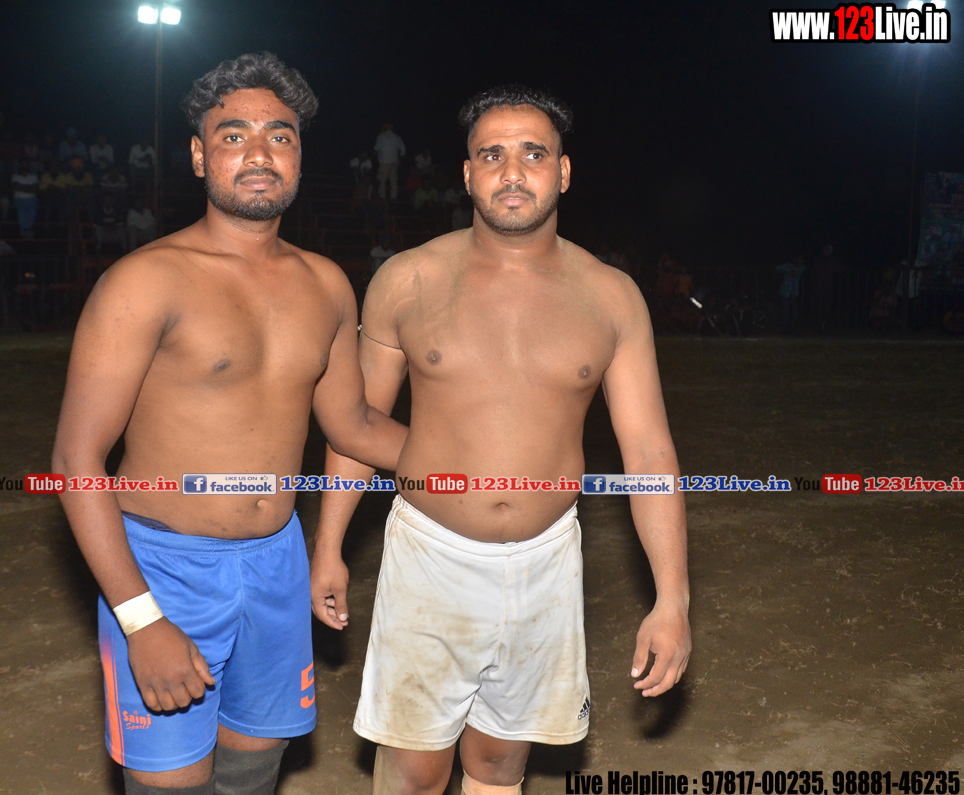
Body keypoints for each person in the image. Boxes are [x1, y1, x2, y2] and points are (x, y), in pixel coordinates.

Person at [311, 85, 691, 795]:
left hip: (548, 563)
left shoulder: (611, 295)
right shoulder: (408, 279)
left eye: (533, 154)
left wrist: (673, 597)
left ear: (563, 172)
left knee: (498, 763)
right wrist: (329, 543)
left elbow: (649, 454)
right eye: (491, 155)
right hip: (429, 555)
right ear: (466, 174)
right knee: (414, 771)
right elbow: (356, 426)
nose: (512, 172)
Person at [51, 52, 407, 795]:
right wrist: (140, 618)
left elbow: (354, 424)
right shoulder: (146, 280)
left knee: (254, 770)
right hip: (164, 568)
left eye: (279, 136)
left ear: (299, 155)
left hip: (277, 561)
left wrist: (477, 458)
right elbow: (77, 460)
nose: (259, 153)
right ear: (198, 154)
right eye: (234, 135)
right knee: (171, 784)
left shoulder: (326, 284)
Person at [373, 123, 406, 200]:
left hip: (384, 162)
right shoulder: (397, 137)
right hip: (394, 162)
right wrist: (399, 160)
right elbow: (403, 151)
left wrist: (372, 158)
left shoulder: (381, 136)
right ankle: (393, 198)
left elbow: (376, 149)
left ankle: (382, 197)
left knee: (382, 181)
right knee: (393, 181)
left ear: (385, 128)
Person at [775, 255, 805, 334]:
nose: (801, 261)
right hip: (785, 292)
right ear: (795, 260)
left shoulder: (802, 268)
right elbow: (777, 268)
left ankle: (791, 330)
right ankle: (784, 330)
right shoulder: (788, 266)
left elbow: (797, 272)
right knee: (785, 313)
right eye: (799, 259)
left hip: (794, 293)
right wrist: (788, 270)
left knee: (794, 313)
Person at [11, 160, 40, 238]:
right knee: (22, 212)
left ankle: (28, 228)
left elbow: (35, 189)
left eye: (25, 165)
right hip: (19, 199)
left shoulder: (33, 176)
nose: (24, 167)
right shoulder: (15, 176)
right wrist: (29, 188)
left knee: (32, 213)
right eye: (22, 165)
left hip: (32, 198)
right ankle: (23, 229)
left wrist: (22, 187)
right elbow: (16, 187)